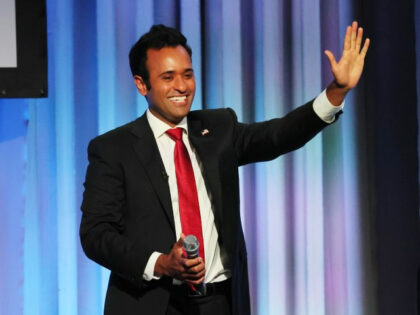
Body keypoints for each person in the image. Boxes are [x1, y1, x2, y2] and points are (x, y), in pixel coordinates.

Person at [80, 23, 369, 315]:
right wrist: (161, 262)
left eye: (188, 74)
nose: (182, 86)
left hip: (218, 302)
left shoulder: (218, 128)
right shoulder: (113, 149)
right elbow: (96, 234)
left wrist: (336, 91)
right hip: (151, 303)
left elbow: (277, 136)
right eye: (168, 77)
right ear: (142, 84)